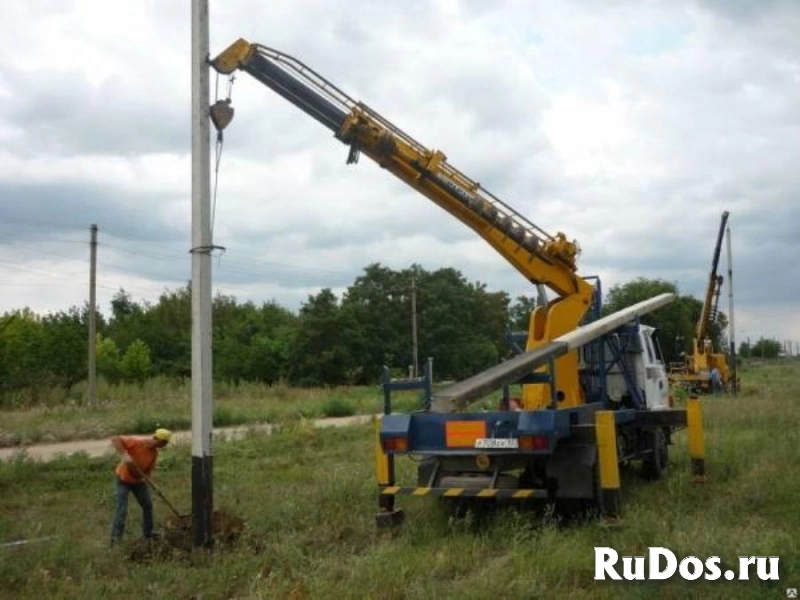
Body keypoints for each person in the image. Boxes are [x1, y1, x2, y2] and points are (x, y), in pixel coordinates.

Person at [109, 428, 171, 545]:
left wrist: (153, 485)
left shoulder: (154, 453)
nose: (164, 446)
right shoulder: (137, 442)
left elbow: (147, 472)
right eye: (163, 443)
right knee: (122, 509)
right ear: (157, 439)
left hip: (138, 482)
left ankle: (148, 533)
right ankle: (115, 540)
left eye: (165, 444)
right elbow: (115, 439)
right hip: (123, 480)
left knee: (148, 505)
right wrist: (125, 455)